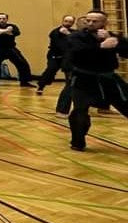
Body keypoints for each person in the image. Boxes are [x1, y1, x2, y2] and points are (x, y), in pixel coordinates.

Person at [64, 9, 128, 151]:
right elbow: (78, 52)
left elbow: (126, 51)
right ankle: (78, 142)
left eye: (95, 21)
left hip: (108, 78)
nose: (90, 23)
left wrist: (116, 42)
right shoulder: (76, 37)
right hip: (83, 79)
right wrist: (101, 46)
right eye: (88, 20)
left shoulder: (111, 37)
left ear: (104, 23)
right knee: (80, 112)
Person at [36, 15, 75, 117]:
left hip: (67, 58)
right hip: (55, 56)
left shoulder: (73, 33)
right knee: (50, 71)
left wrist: (69, 35)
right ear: (62, 21)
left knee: (70, 78)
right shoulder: (55, 32)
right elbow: (60, 45)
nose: (68, 23)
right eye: (66, 21)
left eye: (70, 22)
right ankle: (41, 86)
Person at [0, 13, 35, 87]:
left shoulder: (13, 26)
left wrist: (0, 31)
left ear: (7, 19)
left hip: (11, 48)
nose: (2, 20)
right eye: (0, 18)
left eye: (3, 19)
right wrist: (7, 31)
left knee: (22, 63)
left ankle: (24, 82)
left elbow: (17, 33)